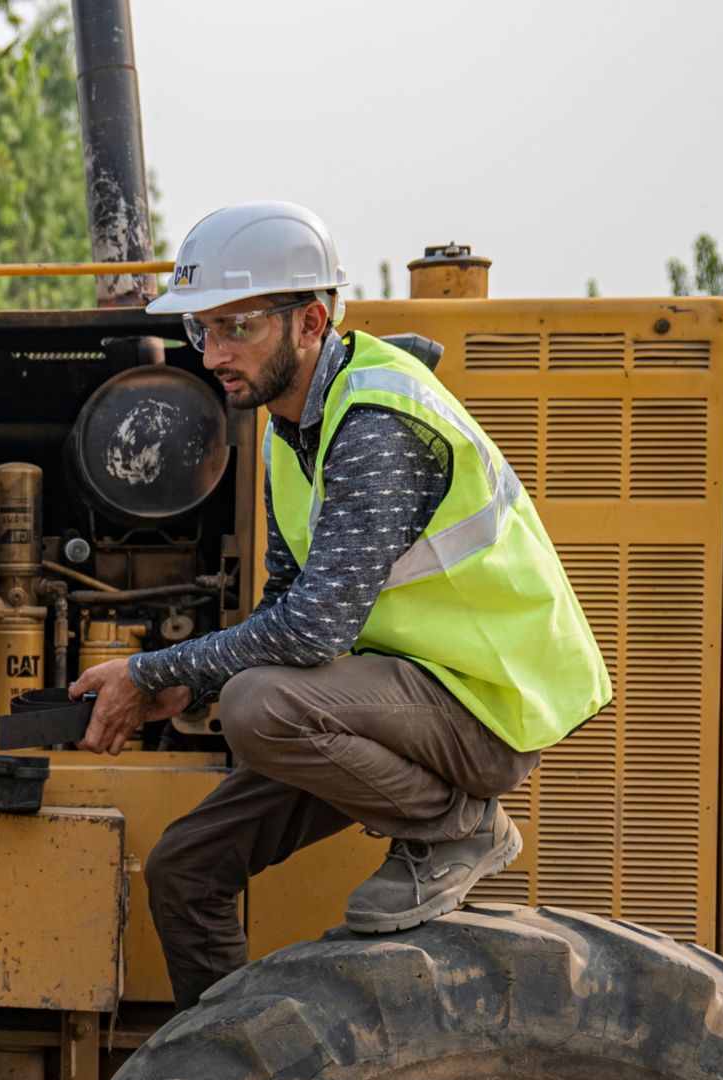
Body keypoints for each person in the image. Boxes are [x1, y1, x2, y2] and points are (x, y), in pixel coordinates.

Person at [70, 201, 611, 1009]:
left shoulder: (375, 423)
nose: (212, 355)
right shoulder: (286, 431)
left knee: (257, 705)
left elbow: (314, 627)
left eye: (236, 327)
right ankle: (241, 1061)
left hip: (486, 708)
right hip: (389, 706)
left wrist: (155, 670)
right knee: (186, 867)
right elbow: (283, 600)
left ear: (311, 321)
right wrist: (188, 680)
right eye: (200, 330)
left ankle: (459, 826)